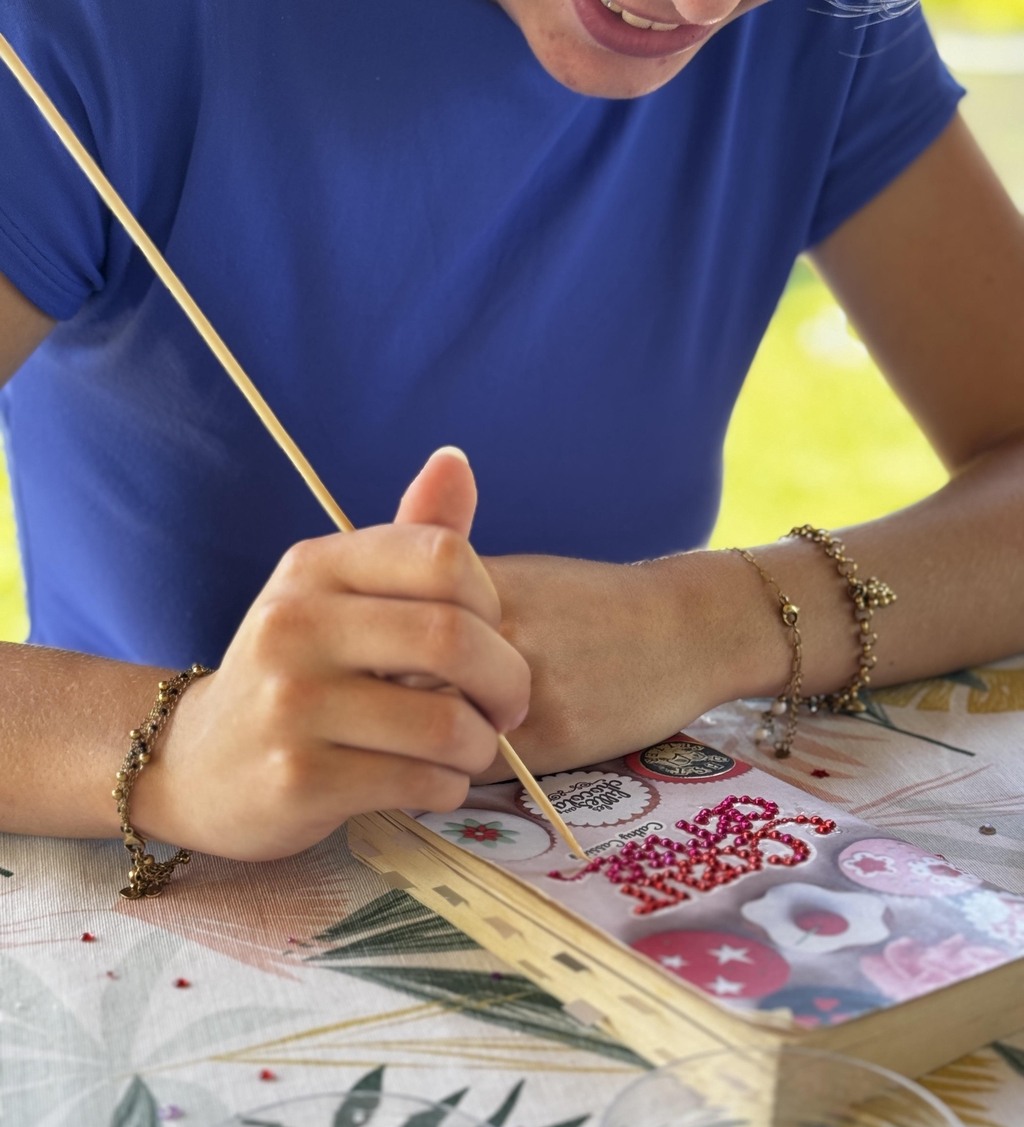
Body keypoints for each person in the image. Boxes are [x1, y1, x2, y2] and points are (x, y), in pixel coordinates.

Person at [0, 0, 1021, 871]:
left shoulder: (819, 24)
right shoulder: (95, 27)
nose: (699, 5)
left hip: (605, 868)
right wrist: (180, 752)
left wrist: (707, 624)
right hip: (166, 886)